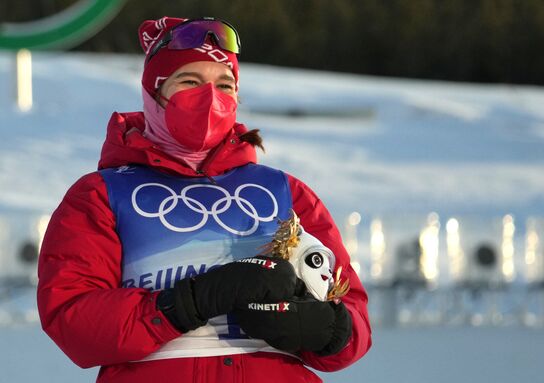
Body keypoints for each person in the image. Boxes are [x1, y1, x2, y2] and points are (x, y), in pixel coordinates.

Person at [37, 16, 372, 383]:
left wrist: (329, 329)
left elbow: (350, 313)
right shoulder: (101, 195)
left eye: (224, 84)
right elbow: (73, 322)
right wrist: (190, 302)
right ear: (155, 94)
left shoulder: (285, 191)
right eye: (190, 82)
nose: (210, 97)